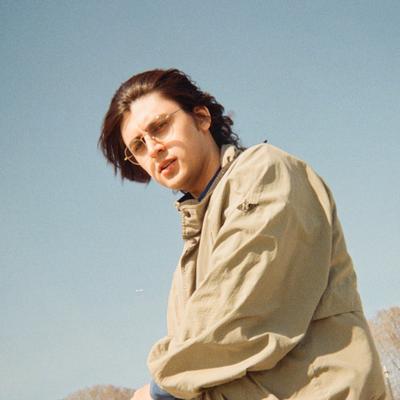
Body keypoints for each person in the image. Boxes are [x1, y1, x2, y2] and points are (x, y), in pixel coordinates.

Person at [98, 69, 388, 400]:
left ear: (201, 117)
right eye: (138, 145)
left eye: (160, 127)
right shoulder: (189, 255)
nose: (153, 148)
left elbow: (236, 314)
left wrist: (157, 390)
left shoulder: (263, 172)